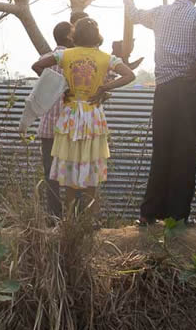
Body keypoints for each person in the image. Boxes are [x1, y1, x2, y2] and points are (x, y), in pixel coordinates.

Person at [124, 0, 196, 225]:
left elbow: (133, 15)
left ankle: (148, 214)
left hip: (165, 90)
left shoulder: (159, 13)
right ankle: (178, 215)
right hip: (189, 91)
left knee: (162, 150)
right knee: (186, 152)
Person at [32, 17, 136, 220]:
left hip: (70, 116)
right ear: (97, 36)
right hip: (93, 116)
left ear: (75, 35)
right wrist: (104, 88)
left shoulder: (65, 55)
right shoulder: (106, 58)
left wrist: (62, 86)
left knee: (70, 168)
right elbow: (129, 75)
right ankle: (89, 222)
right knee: (92, 168)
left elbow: (37, 66)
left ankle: (70, 222)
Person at [35, 21, 75, 219]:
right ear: (68, 36)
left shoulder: (45, 59)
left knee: (51, 175)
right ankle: (72, 216)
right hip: (69, 127)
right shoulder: (74, 60)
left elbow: (37, 69)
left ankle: (54, 216)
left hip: (48, 126)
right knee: (71, 173)